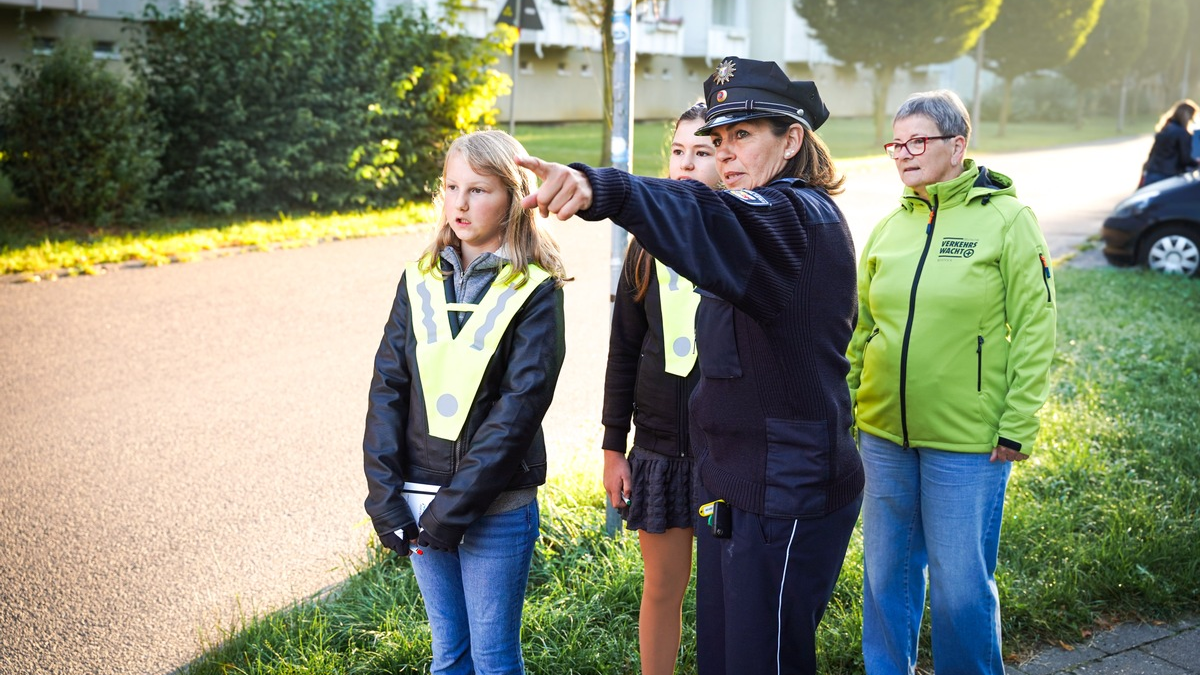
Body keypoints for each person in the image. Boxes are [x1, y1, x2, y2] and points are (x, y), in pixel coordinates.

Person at [518, 56, 864, 675]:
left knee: (765, 663)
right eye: (720, 138)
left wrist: (607, 189)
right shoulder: (759, 214)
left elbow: (708, 213)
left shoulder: (795, 217)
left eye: (744, 135)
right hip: (730, 484)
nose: (725, 153)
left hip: (783, 492)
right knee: (724, 659)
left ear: (791, 141)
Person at [846, 90, 1057, 675]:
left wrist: (1017, 424)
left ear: (957, 145)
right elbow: (863, 328)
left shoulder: (1008, 220)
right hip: (884, 434)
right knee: (886, 574)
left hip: (968, 443)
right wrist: (850, 403)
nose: (903, 154)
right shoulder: (891, 226)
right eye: (896, 143)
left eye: (918, 141)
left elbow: (1036, 329)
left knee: (960, 584)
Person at [363, 130, 568, 675]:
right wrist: (383, 496)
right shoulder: (417, 279)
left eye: (478, 190)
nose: (459, 202)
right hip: (419, 498)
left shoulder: (536, 291)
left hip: (496, 507)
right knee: (448, 656)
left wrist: (450, 513)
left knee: (494, 658)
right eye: (451, 186)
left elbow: (519, 410)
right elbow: (388, 389)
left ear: (515, 197)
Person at [601, 101, 719, 675]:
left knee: (727, 600)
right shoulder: (643, 243)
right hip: (659, 451)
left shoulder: (745, 237)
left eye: (703, 152)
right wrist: (611, 448)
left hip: (728, 453)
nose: (687, 164)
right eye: (678, 151)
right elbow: (622, 348)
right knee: (662, 588)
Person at [1142, 99, 1199, 187]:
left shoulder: (1165, 129)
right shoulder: (1182, 133)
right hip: (1168, 176)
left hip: (1152, 172)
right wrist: (1196, 163)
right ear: (1187, 116)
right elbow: (1185, 159)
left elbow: (1153, 153)